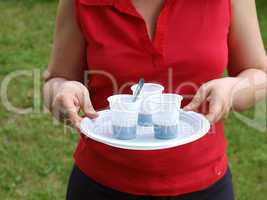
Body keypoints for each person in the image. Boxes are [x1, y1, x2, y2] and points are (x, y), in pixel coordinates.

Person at [43, 0, 267, 199]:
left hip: (204, 183)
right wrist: (62, 90)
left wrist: (234, 88)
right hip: (102, 183)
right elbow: (57, 79)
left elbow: (258, 73)